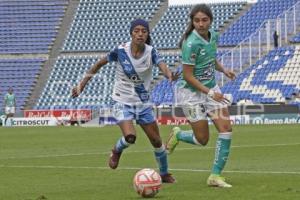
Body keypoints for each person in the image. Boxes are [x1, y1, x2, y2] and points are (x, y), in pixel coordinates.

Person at [72, 19, 178, 183]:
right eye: (137, 31)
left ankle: (164, 174)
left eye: (144, 31)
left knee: (157, 141)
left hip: (143, 103)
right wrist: (82, 85)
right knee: (130, 137)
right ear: (131, 33)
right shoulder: (121, 51)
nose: (140, 34)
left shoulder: (151, 52)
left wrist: (169, 74)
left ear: (148, 34)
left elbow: (162, 66)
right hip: (122, 101)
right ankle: (116, 150)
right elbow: (98, 65)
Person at [165, 4, 236, 188]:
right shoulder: (191, 43)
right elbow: (188, 76)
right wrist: (211, 92)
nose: (201, 24)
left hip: (210, 87)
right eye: (197, 20)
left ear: (210, 20)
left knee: (226, 127)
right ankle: (179, 135)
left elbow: (210, 58)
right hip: (190, 93)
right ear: (192, 22)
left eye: (204, 20)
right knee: (202, 139)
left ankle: (215, 175)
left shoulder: (213, 35)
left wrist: (224, 70)